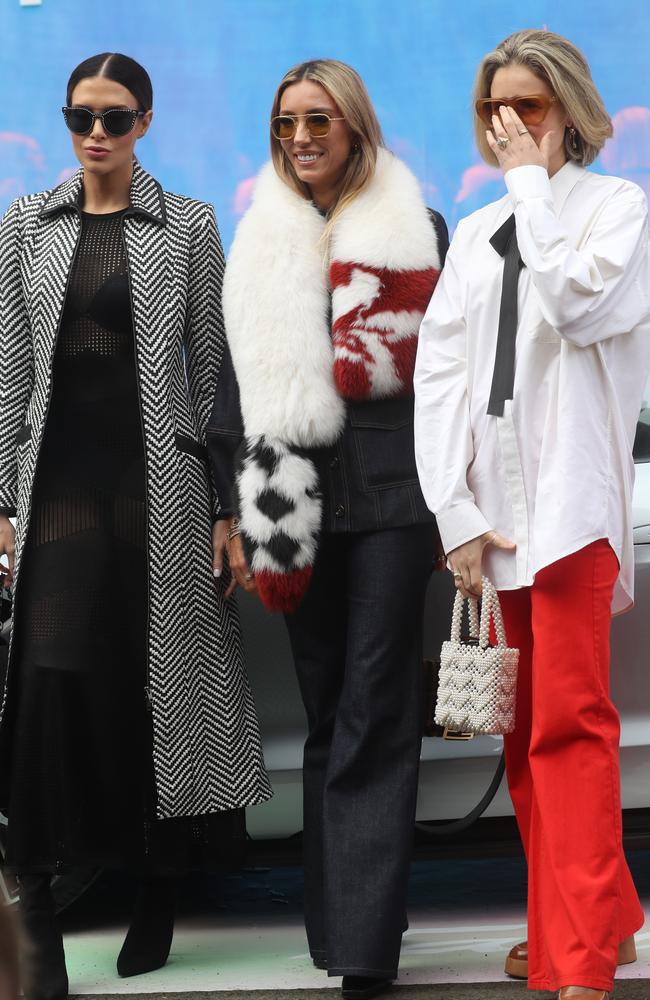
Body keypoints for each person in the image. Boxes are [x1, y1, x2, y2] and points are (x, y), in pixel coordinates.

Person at [0, 52, 271, 1000]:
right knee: (45, 682)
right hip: (58, 494)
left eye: (115, 118)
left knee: (149, 691)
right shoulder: (23, 227)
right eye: (82, 116)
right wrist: (2, 499)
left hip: (160, 491)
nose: (96, 134)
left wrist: (228, 510)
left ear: (145, 124)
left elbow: (213, 378)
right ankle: (30, 887)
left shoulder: (189, 228)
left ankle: (157, 882)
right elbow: (10, 375)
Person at [414, 28, 649, 1000]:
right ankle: (595, 920)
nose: (507, 126)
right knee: (523, 739)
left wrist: (527, 188)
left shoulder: (615, 209)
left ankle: (579, 955)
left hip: (572, 504)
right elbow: (440, 372)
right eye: (492, 112)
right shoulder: (470, 232)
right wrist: (452, 509)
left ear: (570, 112)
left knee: (569, 728)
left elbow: (575, 306)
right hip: (495, 513)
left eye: (528, 108)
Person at [208, 58, 447, 1000]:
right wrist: (232, 509)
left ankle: (362, 955)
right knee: (325, 718)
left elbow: (444, 380)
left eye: (316, 121)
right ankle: (342, 925)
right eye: (285, 125)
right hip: (289, 501)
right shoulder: (258, 237)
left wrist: (457, 504)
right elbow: (232, 385)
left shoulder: (417, 227)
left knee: (375, 714)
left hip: (393, 498)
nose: (299, 138)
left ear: (354, 125)